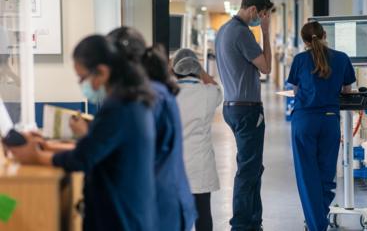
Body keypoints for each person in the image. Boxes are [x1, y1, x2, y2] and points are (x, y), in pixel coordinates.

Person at [10, 35, 158, 231]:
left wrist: (36, 156)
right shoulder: (132, 100)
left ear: (102, 72)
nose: (82, 84)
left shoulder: (118, 108)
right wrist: (47, 146)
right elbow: (95, 147)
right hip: (132, 210)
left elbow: (82, 158)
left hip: (120, 216)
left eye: (82, 78)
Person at [107, 27, 197, 231]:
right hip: (169, 199)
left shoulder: (148, 98)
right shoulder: (159, 90)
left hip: (159, 206)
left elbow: (133, 150)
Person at [287, 22, 356, 231]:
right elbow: (347, 91)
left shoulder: (299, 60)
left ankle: (317, 225)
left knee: (307, 176)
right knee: (326, 175)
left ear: (304, 41)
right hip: (329, 121)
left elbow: (296, 90)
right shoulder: (342, 58)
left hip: (304, 122)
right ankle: (317, 221)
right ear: (325, 35)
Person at [215, 0, 274, 231]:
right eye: (262, 15)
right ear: (252, 10)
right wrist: (266, 32)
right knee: (249, 170)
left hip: (232, 106)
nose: (262, 19)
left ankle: (253, 221)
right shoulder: (242, 32)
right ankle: (241, 224)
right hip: (247, 110)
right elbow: (267, 67)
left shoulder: (224, 31)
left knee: (253, 167)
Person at [172, 48, 222, 231]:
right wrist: (202, 71)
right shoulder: (209, 93)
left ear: (174, 69)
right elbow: (216, 86)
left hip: (175, 165)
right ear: (197, 68)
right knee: (203, 214)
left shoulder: (169, 95)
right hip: (200, 165)